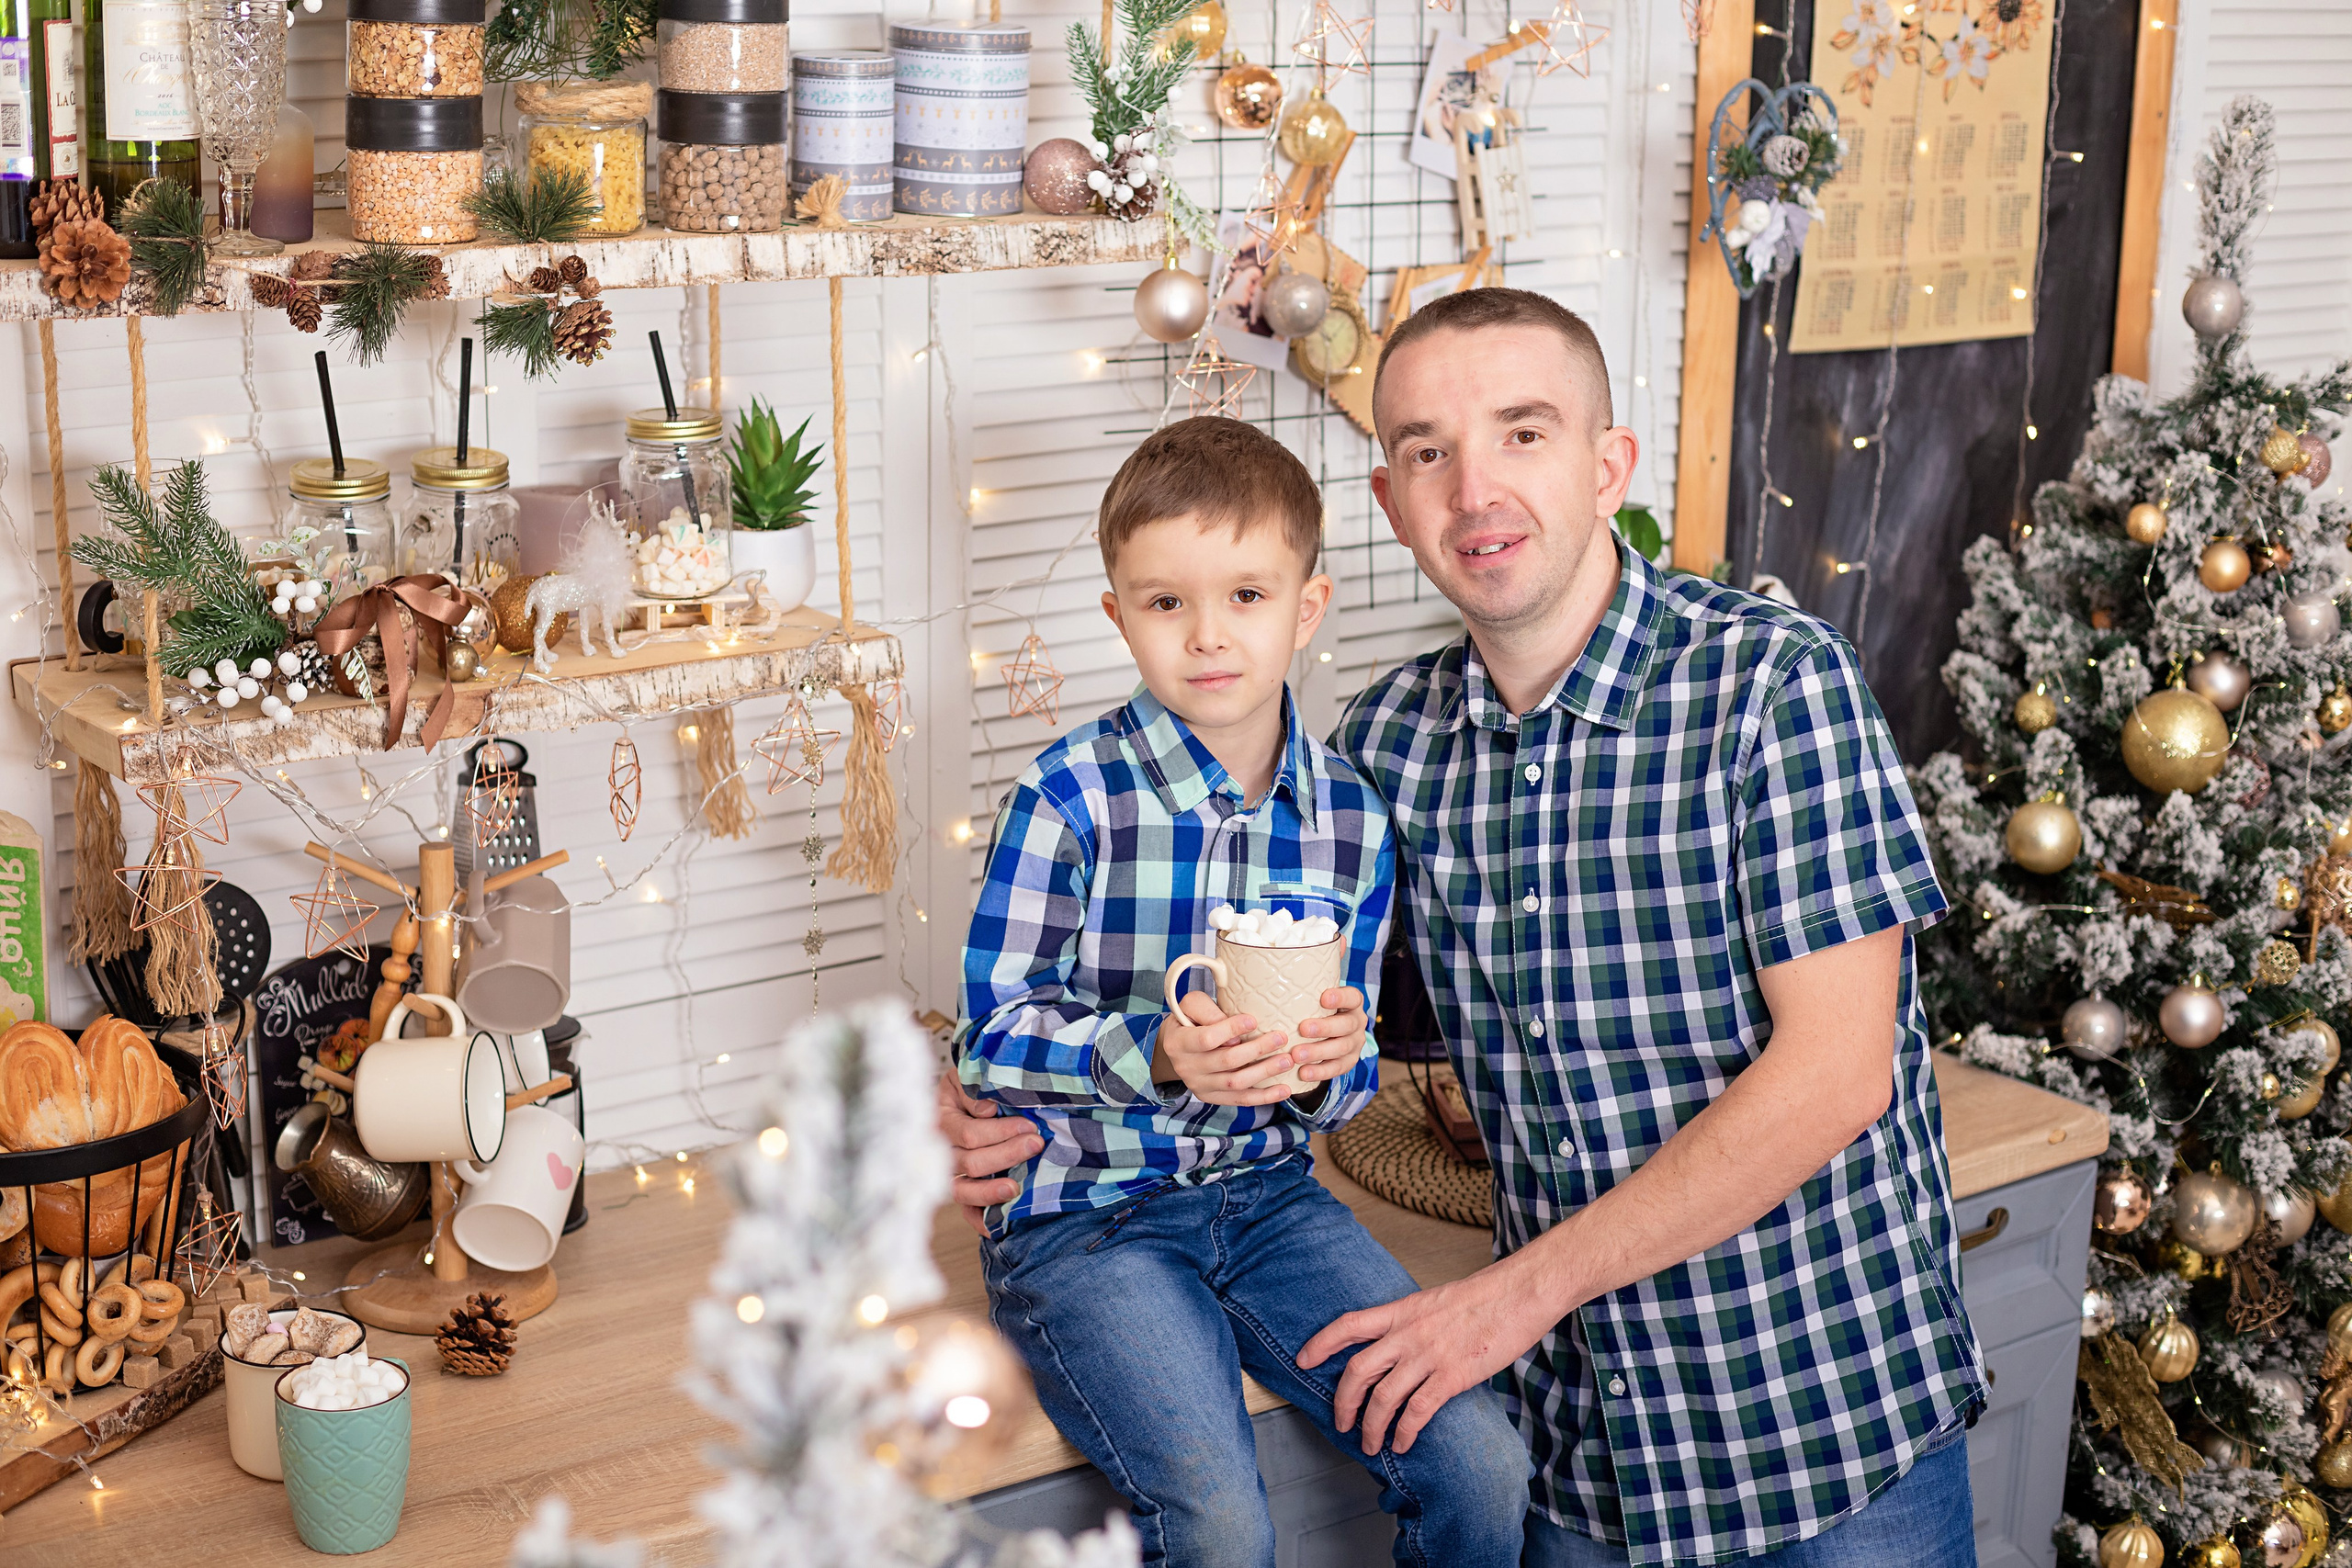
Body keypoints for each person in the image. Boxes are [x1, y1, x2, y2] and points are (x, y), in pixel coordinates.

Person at [945, 288, 1986, 1568]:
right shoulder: (1386, 752)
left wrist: (1507, 1298)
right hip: (1579, 1451)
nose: (1474, 487)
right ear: (1392, 503)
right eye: (1429, 451)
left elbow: (1836, 1075)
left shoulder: (1773, 684)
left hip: (1816, 1426)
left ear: (1609, 465)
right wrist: (977, 1096)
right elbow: (1299, 1016)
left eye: (1522, 432)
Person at [955, 415, 1532, 1568]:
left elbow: (1348, 1068)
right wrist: (1157, 1053)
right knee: (1217, 1524)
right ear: (1119, 614)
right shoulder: (1067, 798)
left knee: (1483, 1463)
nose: (1208, 635)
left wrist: (1328, 1068)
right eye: (1166, 602)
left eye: (1247, 597)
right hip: (1087, 1223)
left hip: (1270, 1206)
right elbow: (992, 1033)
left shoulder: (1350, 820)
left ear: (1305, 609)